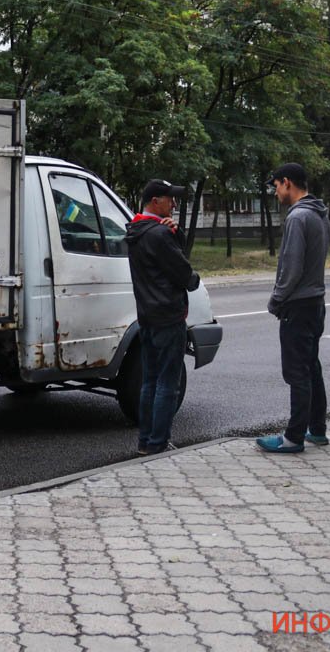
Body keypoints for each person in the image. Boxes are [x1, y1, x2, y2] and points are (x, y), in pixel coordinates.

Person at [256, 162, 330, 454]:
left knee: (297, 373)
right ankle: (318, 429)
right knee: (311, 368)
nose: (276, 192)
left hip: (297, 306)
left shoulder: (298, 217)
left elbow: (291, 266)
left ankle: (293, 437)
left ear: (287, 182)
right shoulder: (319, 213)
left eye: (276, 186)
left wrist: (276, 300)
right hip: (316, 303)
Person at [125, 179, 201, 456]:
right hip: (168, 315)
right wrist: (194, 278)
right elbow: (183, 273)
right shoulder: (158, 235)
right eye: (170, 199)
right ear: (155, 201)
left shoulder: (136, 230)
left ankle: (145, 441)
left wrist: (175, 233)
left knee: (149, 380)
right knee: (168, 383)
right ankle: (159, 443)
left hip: (146, 315)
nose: (174, 204)